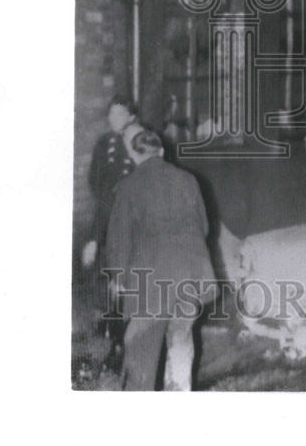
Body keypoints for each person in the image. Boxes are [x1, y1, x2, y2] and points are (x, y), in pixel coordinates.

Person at [106, 125, 216, 390]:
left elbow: (119, 238)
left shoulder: (128, 187)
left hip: (152, 282)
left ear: (134, 156)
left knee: (140, 346)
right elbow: (204, 226)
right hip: (191, 275)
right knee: (180, 337)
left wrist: (118, 277)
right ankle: (179, 392)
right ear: (163, 151)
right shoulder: (188, 180)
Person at [81, 95, 137, 370]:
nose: (116, 119)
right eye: (112, 114)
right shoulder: (104, 144)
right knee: (110, 280)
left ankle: (126, 337)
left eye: (121, 114)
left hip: (133, 220)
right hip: (108, 217)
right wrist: (95, 236)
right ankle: (114, 336)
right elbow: (96, 182)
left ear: (131, 117)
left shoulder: (140, 141)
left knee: (127, 279)